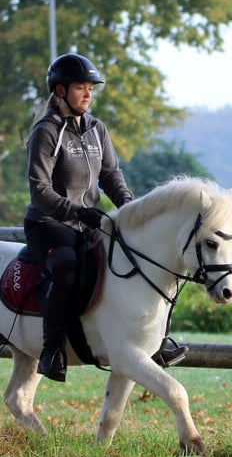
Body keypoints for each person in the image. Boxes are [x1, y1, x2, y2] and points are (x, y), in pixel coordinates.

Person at [24, 52, 187, 382]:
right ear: (59, 91)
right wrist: (77, 211)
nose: (88, 94)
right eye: (81, 87)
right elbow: (39, 190)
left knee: (133, 258)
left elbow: (111, 176)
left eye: (91, 88)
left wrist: (130, 210)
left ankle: (151, 341)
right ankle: (51, 349)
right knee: (67, 268)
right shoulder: (47, 131)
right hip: (49, 224)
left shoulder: (97, 129)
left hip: (88, 222)